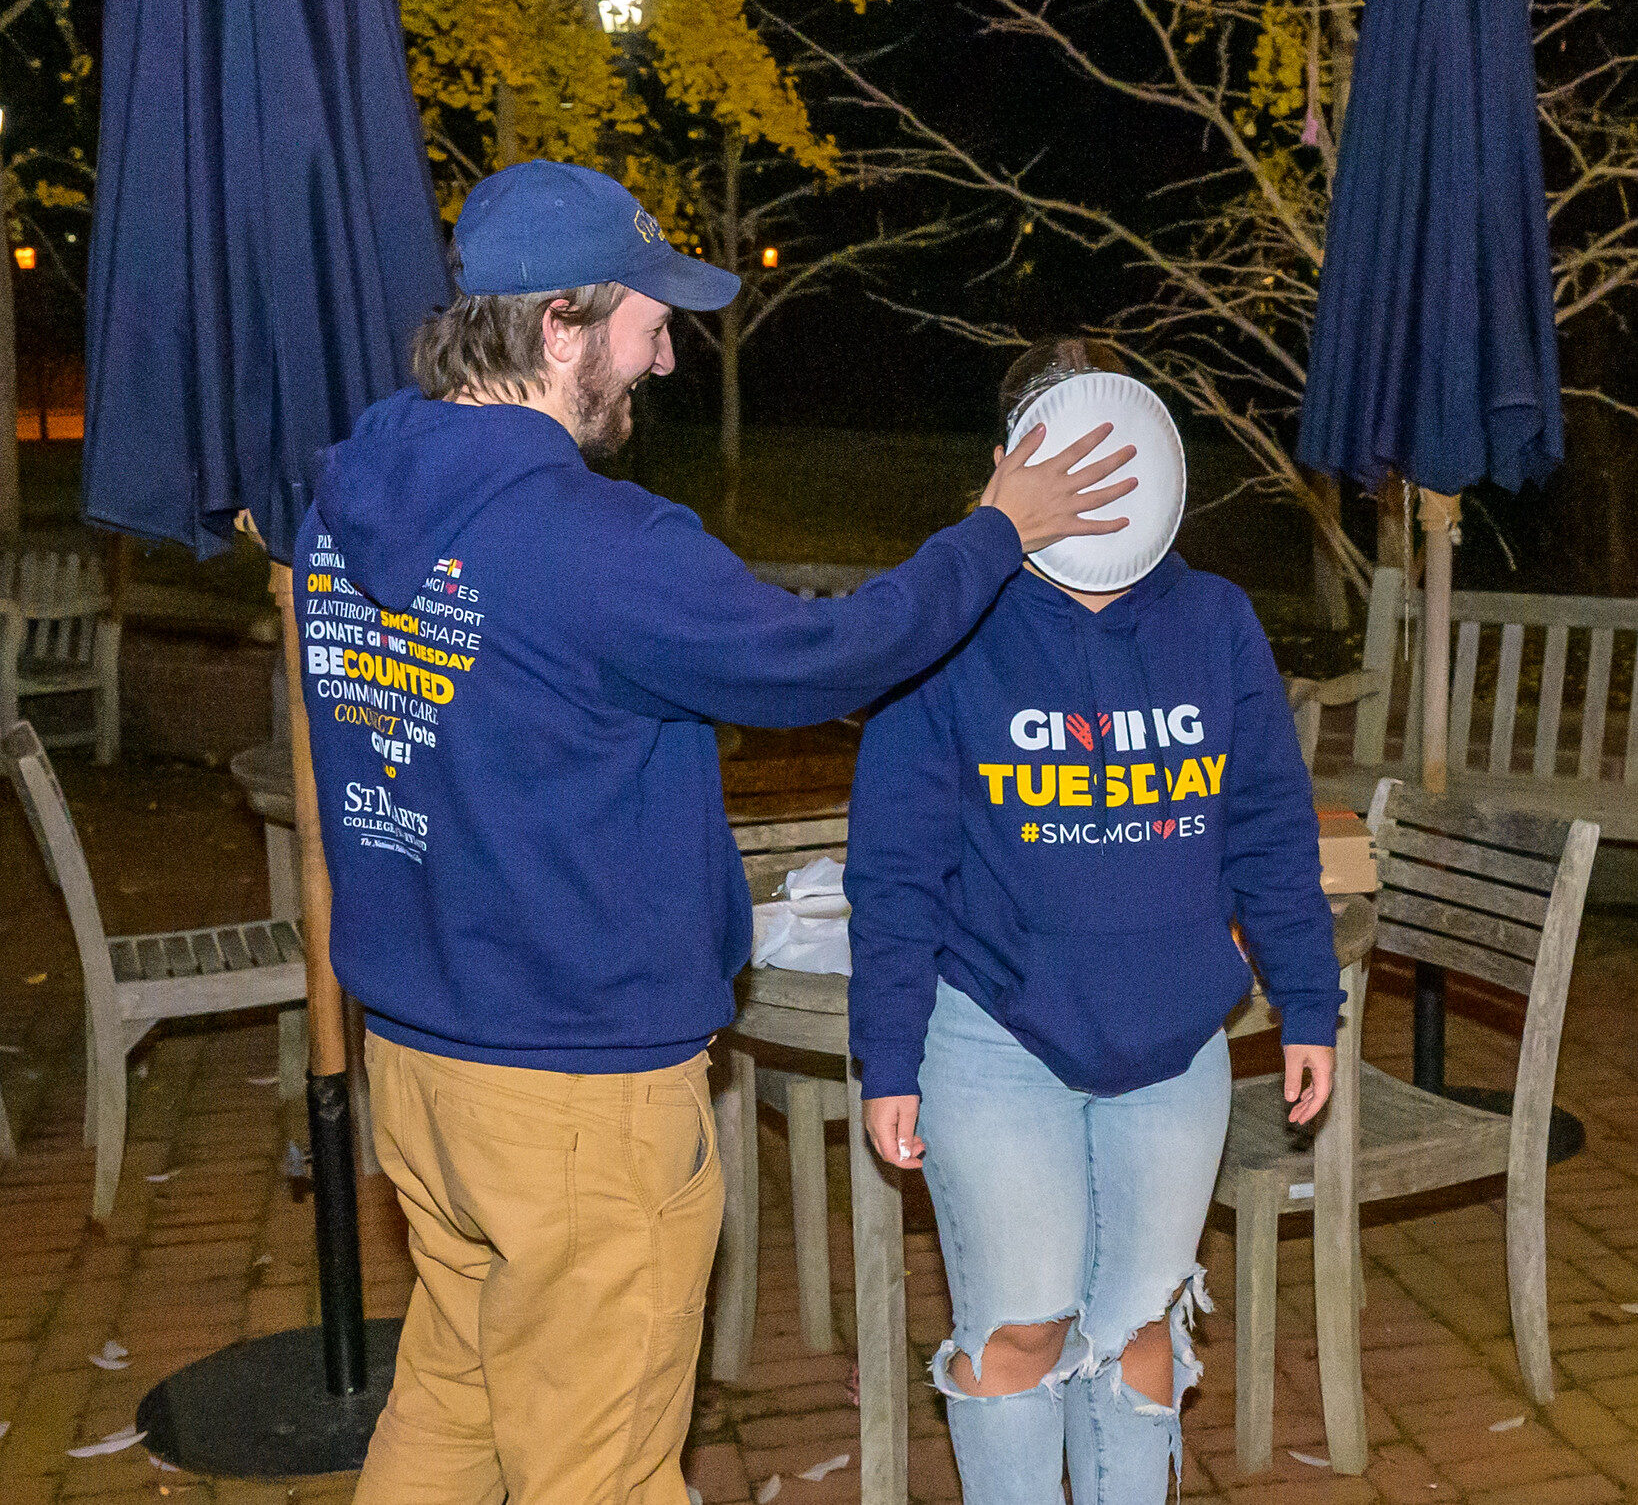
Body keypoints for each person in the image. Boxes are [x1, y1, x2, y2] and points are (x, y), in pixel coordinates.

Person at [294, 167, 1141, 1505]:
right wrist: (994, 533)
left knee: (453, 1407)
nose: (668, 353)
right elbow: (828, 657)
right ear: (559, 324)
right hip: (575, 1088)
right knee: (606, 1472)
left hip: (419, 1062)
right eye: (648, 320)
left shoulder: (347, 512)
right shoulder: (596, 541)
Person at [845, 337, 1342, 1504]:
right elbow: (897, 866)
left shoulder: (1216, 621)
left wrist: (1309, 1001)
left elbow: (1269, 825)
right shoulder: (949, 623)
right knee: (1021, 1328)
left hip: (1174, 1045)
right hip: (993, 1037)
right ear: (1011, 464)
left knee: (1136, 1335)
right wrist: (889, 1051)